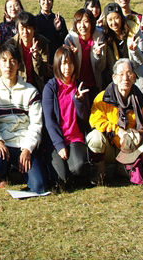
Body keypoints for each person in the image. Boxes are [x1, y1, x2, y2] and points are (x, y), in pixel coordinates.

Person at [0, 43, 47, 194]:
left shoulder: (31, 91)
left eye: (12, 61)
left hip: (23, 144)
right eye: (4, 61)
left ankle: (23, 169)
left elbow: (36, 124)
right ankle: (4, 172)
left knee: (39, 187)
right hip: (2, 143)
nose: (8, 65)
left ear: (19, 64)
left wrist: (28, 148)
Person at [86, 58, 143, 186]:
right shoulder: (103, 98)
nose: (125, 78)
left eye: (129, 73)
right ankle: (99, 169)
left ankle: (124, 167)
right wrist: (117, 130)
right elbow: (94, 120)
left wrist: (136, 135)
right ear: (114, 78)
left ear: (134, 77)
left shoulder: (140, 101)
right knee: (94, 137)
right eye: (121, 74)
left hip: (128, 147)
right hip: (109, 146)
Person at [41, 47, 91, 188]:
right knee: (61, 181)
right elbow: (49, 119)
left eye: (70, 63)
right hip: (56, 140)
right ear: (57, 64)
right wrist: (59, 144)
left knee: (79, 167)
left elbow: (85, 119)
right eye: (63, 63)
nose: (67, 67)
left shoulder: (80, 86)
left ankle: (75, 169)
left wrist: (79, 102)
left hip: (75, 138)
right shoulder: (51, 87)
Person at [101, 2, 143, 101]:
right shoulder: (107, 36)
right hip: (121, 79)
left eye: (116, 18)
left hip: (138, 76)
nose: (114, 23)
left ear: (121, 17)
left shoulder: (134, 31)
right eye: (110, 19)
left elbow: (142, 61)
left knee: (140, 109)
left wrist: (134, 50)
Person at [64, 8, 106, 106]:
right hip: (77, 86)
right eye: (79, 22)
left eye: (86, 22)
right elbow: (67, 67)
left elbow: (102, 67)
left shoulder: (99, 39)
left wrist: (98, 55)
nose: (82, 26)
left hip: (95, 85)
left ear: (92, 23)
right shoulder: (71, 40)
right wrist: (72, 56)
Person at [2, 12, 49, 93]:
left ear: (34, 29)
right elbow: (2, 67)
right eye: (22, 28)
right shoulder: (11, 43)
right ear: (17, 29)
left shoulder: (42, 43)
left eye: (28, 27)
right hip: (16, 88)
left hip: (37, 88)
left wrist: (36, 57)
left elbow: (43, 71)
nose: (25, 32)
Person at [35, 0, 68, 77]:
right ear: (39, 1)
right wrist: (43, 63)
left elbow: (64, 41)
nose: (46, 2)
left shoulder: (59, 19)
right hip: (41, 62)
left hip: (57, 61)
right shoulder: (35, 20)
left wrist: (58, 29)